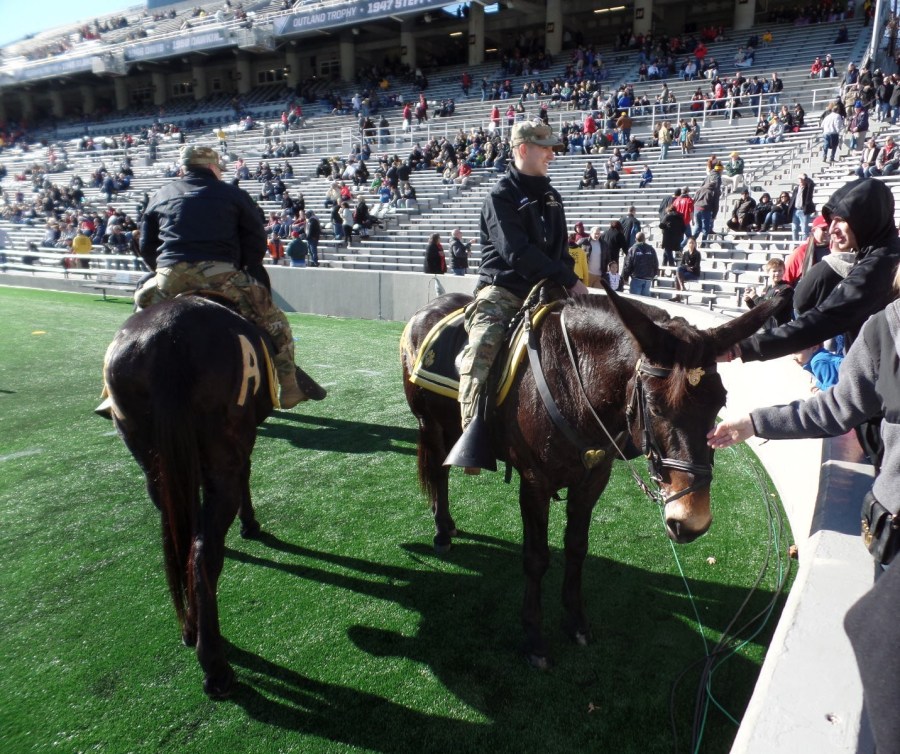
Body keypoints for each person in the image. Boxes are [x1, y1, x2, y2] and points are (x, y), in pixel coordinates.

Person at [126, 145, 321, 410]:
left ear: (184, 168)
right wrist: (243, 267)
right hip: (222, 276)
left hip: (170, 278)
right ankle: (289, 387)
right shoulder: (233, 194)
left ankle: (115, 392)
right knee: (276, 323)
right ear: (212, 168)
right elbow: (255, 241)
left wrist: (162, 271)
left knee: (135, 325)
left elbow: (147, 245)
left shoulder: (160, 195)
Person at [457, 120, 588, 447]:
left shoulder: (553, 197)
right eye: (546, 148)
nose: (551, 155)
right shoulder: (500, 196)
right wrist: (568, 279)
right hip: (504, 291)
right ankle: (472, 435)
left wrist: (567, 280)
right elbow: (517, 253)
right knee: (483, 345)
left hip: (547, 290)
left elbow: (562, 252)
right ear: (524, 149)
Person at [743, 257, 794, 328]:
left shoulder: (786, 289)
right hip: (766, 329)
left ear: (784, 271)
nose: (777, 273)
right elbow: (758, 310)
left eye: (780, 270)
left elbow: (771, 309)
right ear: (768, 272)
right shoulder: (766, 289)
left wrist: (754, 297)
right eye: (774, 271)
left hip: (779, 330)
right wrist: (749, 300)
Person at [783, 214, 830, 286]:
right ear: (814, 230)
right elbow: (786, 279)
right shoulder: (800, 252)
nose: (828, 232)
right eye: (824, 229)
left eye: (829, 228)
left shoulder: (836, 251)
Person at [622, 231, 659, 296]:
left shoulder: (633, 249)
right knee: (644, 300)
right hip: (648, 279)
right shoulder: (651, 249)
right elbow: (656, 263)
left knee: (635, 299)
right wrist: (654, 274)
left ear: (635, 239)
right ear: (645, 239)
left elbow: (628, 264)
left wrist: (625, 277)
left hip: (636, 278)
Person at [787, 173, 816, 242]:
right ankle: (795, 244)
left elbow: (812, 183)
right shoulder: (796, 188)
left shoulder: (808, 188)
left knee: (804, 229)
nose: (800, 180)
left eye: (801, 178)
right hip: (795, 211)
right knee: (794, 228)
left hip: (803, 211)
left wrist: (804, 177)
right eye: (799, 178)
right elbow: (793, 199)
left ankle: (804, 244)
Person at [672, 236, 701, 301]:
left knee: (677, 277)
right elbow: (682, 264)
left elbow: (697, 265)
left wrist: (690, 268)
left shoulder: (697, 254)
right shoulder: (685, 253)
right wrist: (686, 267)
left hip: (694, 273)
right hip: (687, 271)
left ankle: (678, 296)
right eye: (690, 243)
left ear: (695, 244)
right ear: (687, 244)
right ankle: (682, 288)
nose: (691, 244)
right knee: (679, 269)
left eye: (693, 243)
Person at [659, 203, 686, 270]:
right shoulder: (680, 217)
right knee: (666, 252)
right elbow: (684, 228)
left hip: (668, 237)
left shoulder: (668, 216)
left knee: (668, 251)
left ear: (669, 210)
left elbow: (661, 225)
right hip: (677, 238)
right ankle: (663, 266)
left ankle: (672, 265)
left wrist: (666, 226)